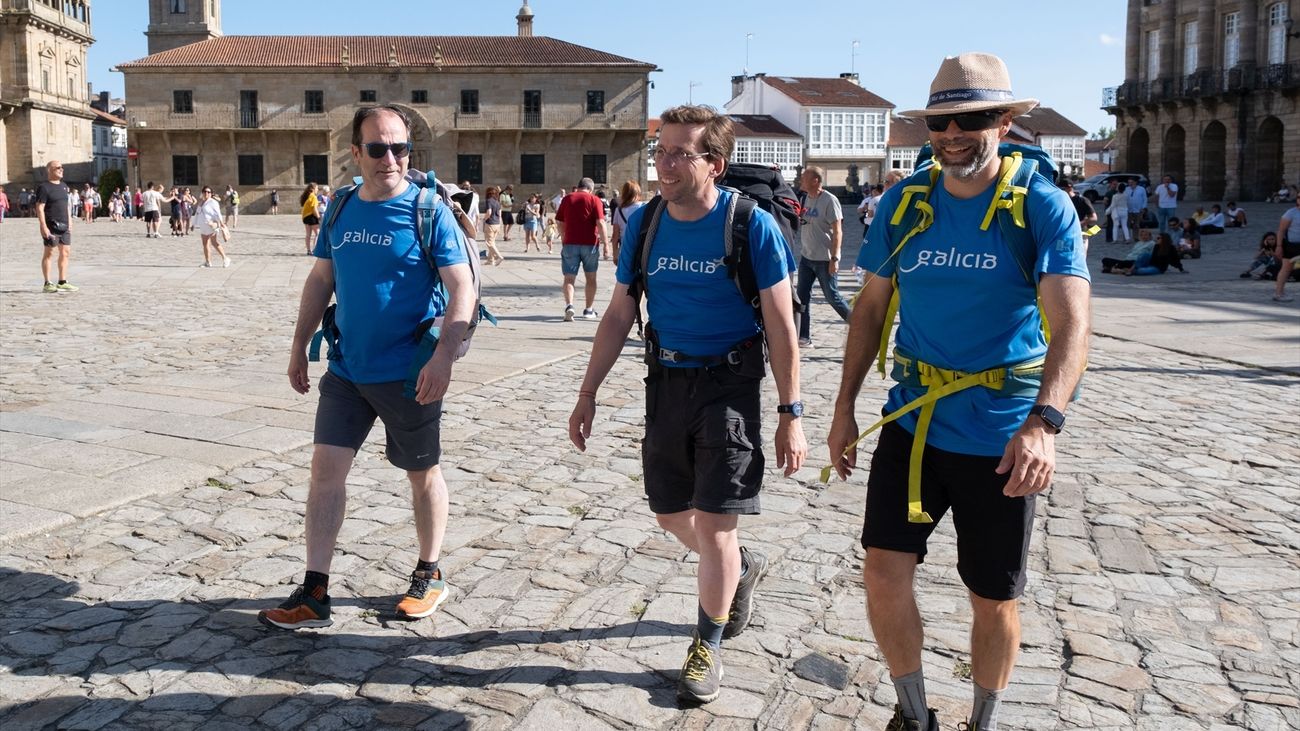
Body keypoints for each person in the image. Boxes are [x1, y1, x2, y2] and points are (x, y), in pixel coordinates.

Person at [827, 53, 1090, 731]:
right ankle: (914, 715)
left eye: (969, 120)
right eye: (940, 121)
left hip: (1001, 437)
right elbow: (870, 309)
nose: (951, 134)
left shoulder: (1040, 207)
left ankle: (984, 719)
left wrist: (1045, 423)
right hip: (913, 423)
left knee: (991, 597)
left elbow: (1072, 323)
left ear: (1004, 120)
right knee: (883, 572)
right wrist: (843, 406)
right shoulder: (908, 203)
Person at [568, 104, 806, 705]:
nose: (664, 164)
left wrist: (790, 413)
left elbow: (782, 325)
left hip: (729, 387)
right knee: (670, 512)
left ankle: (708, 641)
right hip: (665, 381)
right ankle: (738, 570)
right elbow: (621, 311)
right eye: (661, 151)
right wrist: (588, 392)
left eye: (680, 153)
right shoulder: (647, 223)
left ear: (715, 165)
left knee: (717, 521)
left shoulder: (750, 225)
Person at [262, 104, 474, 631]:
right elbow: (320, 281)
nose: (390, 158)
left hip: (410, 374)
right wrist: (298, 345)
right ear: (355, 153)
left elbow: (461, 288)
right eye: (377, 148)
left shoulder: (428, 210)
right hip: (348, 371)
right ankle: (315, 592)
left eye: (399, 147)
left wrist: (444, 357)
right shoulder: (341, 208)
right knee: (325, 472)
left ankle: (430, 573)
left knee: (422, 474)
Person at [795, 165, 851, 347]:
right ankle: (803, 337)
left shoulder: (830, 200)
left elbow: (838, 231)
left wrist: (835, 258)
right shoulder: (804, 199)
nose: (800, 180)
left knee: (832, 297)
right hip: (806, 257)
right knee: (801, 297)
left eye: (804, 178)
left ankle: (859, 327)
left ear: (815, 181)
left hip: (825, 259)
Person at [555, 177, 605, 321]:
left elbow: (560, 222)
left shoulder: (567, 199)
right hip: (590, 244)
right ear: (591, 188)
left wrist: (564, 236)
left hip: (570, 243)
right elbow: (600, 223)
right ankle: (588, 310)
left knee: (569, 278)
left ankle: (569, 305)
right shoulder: (594, 200)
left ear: (578, 187)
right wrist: (606, 244)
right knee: (591, 278)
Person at [35, 160, 79, 292]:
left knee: (65, 253)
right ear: (50, 170)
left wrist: (70, 220)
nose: (62, 170)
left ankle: (62, 281)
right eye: (58, 168)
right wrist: (43, 225)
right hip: (51, 225)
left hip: (65, 225)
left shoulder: (64, 186)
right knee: (49, 253)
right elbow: (40, 207)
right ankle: (47, 283)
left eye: (62, 167)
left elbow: (66, 205)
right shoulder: (44, 187)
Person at [1115, 232, 1186, 275]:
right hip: (1151, 263)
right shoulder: (1156, 246)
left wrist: (1181, 269)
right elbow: (1152, 258)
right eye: (1157, 238)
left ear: (1164, 239)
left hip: (1159, 268)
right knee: (1145, 254)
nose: (1156, 239)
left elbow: (1175, 259)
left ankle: (1127, 271)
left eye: (1158, 238)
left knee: (1141, 271)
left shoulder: (1171, 248)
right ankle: (1131, 270)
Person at [195, 186, 232, 267]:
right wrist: (193, 224)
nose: (206, 193)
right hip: (203, 225)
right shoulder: (201, 202)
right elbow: (198, 213)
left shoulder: (213, 202)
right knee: (205, 244)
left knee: (214, 242)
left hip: (212, 225)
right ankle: (208, 262)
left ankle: (225, 258)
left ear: (211, 194)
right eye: (205, 191)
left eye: (208, 192)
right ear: (202, 192)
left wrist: (222, 223)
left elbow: (218, 213)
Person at [610, 180, 643, 265]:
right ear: (638, 192)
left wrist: (615, 254)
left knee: (624, 276)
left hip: (625, 247)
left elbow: (615, 235)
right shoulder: (644, 208)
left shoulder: (619, 210)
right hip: (641, 248)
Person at [1273, 196, 1300, 302]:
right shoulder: (1290, 213)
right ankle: (1279, 293)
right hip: (1292, 245)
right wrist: (1278, 246)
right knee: (1286, 268)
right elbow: (1281, 230)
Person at [482, 185, 505, 265]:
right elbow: (500, 214)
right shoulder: (497, 202)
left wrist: (484, 219)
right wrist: (500, 224)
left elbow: (489, 212)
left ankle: (499, 256)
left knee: (489, 242)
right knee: (492, 242)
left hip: (490, 223)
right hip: (497, 224)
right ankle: (490, 260)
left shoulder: (489, 201)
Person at [301, 183, 322, 254]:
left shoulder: (308, 196)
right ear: (313, 189)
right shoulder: (313, 197)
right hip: (311, 217)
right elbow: (314, 209)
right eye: (317, 188)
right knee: (317, 234)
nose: (318, 190)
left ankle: (308, 250)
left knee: (308, 235)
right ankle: (314, 250)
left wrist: (317, 203)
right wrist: (319, 217)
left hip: (305, 217)